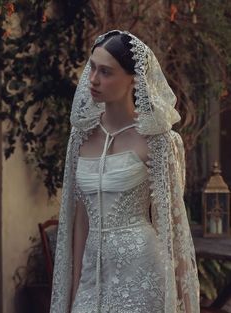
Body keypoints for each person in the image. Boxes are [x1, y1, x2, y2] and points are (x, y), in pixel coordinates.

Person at [50, 30, 200, 313]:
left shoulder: (157, 140)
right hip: (92, 277)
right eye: (92, 67)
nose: (93, 79)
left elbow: (172, 225)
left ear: (133, 78)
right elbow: (80, 219)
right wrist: (76, 288)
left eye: (106, 72)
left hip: (141, 274)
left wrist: (180, 299)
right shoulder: (80, 136)